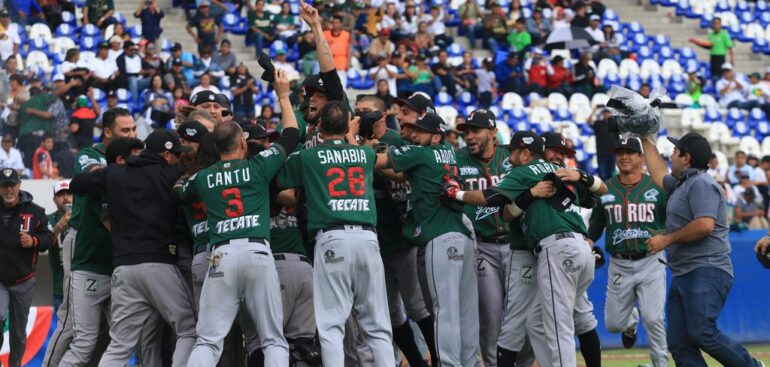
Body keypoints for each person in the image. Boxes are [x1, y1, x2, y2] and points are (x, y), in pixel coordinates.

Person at [445, 130, 606, 367]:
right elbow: (599, 193)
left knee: (558, 326)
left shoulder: (525, 171)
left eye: (512, 152)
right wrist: (573, 179)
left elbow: (490, 198)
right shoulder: (558, 173)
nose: (508, 157)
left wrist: (455, 193)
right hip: (578, 249)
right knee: (537, 322)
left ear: (525, 154)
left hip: (555, 250)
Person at [176, 69, 299, 367]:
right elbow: (292, 135)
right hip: (257, 250)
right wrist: (283, 95)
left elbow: (179, 192)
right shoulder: (258, 166)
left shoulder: (204, 177)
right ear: (243, 143)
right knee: (272, 338)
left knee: (208, 339)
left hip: (220, 255)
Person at [275, 99, 395, 367]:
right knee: (377, 324)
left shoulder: (307, 156)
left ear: (319, 125)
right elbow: (361, 154)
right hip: (367, 237)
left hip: (332, 238)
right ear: (346, 125)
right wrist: (352, 135)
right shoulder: (363, 154)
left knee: (331, 325)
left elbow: (281, 182)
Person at [69, 128, 197, 367]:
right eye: (177, 154)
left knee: (119, 344)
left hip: (123, 269)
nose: (179, 157)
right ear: (167, 155)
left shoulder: (115, 173)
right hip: (160, 263)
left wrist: (103, 172)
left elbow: (77, 183)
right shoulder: (170, 173)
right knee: (189, 328)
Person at [641, 132, 764, 367]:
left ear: (686, 158)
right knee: (679, 341)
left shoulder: (701, 183)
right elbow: (658, 173)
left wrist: (666, 240)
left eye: (676, 152)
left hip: (706, 269)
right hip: (684, 272)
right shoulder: (682, 184)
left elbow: (705, 225)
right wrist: (645, 138)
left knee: (701, 331)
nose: (672, 155)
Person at [372, 112, 479, 366]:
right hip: (461, 236)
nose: (415, 135)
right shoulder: (450, 153)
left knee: (444, 312)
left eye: (420, 131)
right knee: (467, 314)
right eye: (413, 130)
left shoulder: (421, 153)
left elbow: (380, 161)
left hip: (438, 236)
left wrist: (358, 147)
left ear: (436, 136)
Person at [51, 108, 137, 367]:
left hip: (115, 253)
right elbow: (94, 174)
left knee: (117, 334)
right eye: (125, 130)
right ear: (108, 132)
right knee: (70, 326)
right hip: (83, 242)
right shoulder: (91, 154)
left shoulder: (135, 157)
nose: (132, 135)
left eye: (134, 129)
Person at [355, 95, 436, 367]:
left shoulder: (400, 140)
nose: (359, 116)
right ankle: (416, 362)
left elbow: (404, 176)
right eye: (356, 112)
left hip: (403, 234)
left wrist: (373, 156)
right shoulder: (350, 144)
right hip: (374, 239)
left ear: (379, 117)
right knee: (390, 311)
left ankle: (437, 358)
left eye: (364, 112)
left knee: (416, 304)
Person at [587, 137, 669, 366]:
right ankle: (631, 319)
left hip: (651, 260)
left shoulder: (657, 187)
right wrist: (589, 241)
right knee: (613, 324)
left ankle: (660, 363)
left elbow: (673, 217)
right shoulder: (605, 187)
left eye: (630, 152)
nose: (624, 157)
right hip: (619, 262)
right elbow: (597, 223)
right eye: (620, 152)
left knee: (654, 318)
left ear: (641, 158)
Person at [454, 109, 512, 367]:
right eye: (466, 132)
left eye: (475, 130)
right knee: (490, 317)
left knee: (524, 315)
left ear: (492, 132)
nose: (469, 136)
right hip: (482, 246)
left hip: (515, 246)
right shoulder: (457, 159)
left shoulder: (512, 156)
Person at [0, 168, 53, 367]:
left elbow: (49, 239)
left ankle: (15, 365)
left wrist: (34, 241)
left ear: (19, 184)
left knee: (19, 331)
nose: (8, 190)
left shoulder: (36, 211)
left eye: (12, 185)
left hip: (24, 281)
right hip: (0, 281)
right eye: (4, 186)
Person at [47, 180, 73, 312]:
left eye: (69, 193)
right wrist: (59, 226)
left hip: (84, 284)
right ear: (54, 199)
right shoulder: (48, 219)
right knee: (62, 330)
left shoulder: (84, 216)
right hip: (60, 288)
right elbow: (44, 244)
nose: (66, 198)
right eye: (61, 194)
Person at [590, 107, 618, 180]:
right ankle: (603, 190)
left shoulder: (614, 124)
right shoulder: (598, 123)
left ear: (610, 114)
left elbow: (617, 138)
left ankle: (611, 189)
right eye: (605, 113)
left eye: (608, 113)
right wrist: (594, 110)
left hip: (612, 152)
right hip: (601, 153)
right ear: (602, 114)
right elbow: (589, 121)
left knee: (612, 173)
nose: (606, 114)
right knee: (603, 174)